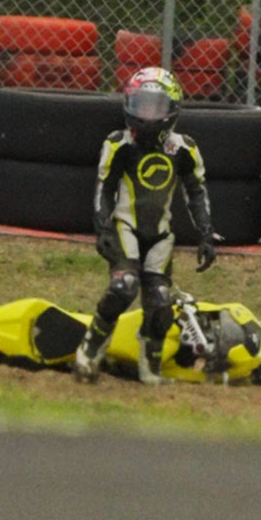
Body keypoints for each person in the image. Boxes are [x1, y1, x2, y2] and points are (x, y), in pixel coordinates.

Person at [73, 66, 218, 385]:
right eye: (141, 105)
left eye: (156, 107)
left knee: (161, 301)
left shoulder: (185, 148)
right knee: (123, 286)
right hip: (125, 228)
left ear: (172, 109)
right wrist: (103, 229)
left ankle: (148, 367)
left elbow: (196, 191)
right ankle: (89, 351)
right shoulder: (117, 143)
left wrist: (206, 233)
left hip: (161, 237)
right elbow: (104, 187)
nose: (148, 115)